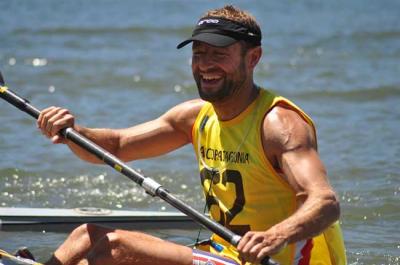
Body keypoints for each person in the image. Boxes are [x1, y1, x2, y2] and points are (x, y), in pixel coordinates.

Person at [36, 5, 346, 265]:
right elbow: (116, 146)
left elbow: (325, 202)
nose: (205, 65)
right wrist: (73, 132)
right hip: (225, 255)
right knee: (84, 235)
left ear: (253, 58)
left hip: (274, 261)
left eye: (219, 54)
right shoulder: (195, 117)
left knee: (115, 248)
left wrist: (275, 236)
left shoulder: (277, 124)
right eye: (199, 53)